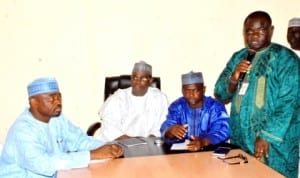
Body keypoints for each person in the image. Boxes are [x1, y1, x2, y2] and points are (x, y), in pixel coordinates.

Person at [214, 11, 300, 178]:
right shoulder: (238, 57)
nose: (254, 35)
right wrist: (234, 77)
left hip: (275, 143)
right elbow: (220, 94)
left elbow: (289, 102)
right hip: (241, 139)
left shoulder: (287, 60)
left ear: (271, 30)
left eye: (260, 29)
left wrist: (266, 136)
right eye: (249, 31)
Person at [0, 77, 124, 178]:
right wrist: (91, 155)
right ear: (33, 102)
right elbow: (44, 165)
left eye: (59, 96)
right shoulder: (23, 130)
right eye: (51, 98)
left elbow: (79, 140)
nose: (58, 101)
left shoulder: (57, 118)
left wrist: (106, 147)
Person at [96, 61, 169, 142]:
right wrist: (132, 142)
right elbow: (109, 126)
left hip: (148, 144)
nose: (137, 82)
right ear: (131, 79)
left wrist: (148, 142)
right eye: (135, 78)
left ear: (150, 81)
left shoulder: (159, 98)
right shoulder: (119, 97)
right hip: (118, 142)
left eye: (143, 78)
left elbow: (162, 124)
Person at [160, 71, 230, 151]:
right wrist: (170, 131)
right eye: (187, 91)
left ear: (203, 89)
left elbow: (223, 130)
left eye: (195, 91)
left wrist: (204, 142)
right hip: (184, 154)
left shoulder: (215, 106)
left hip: (210, 152)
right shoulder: (177, 106)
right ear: (182, 90)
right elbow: (167, 125)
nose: (191, 95)